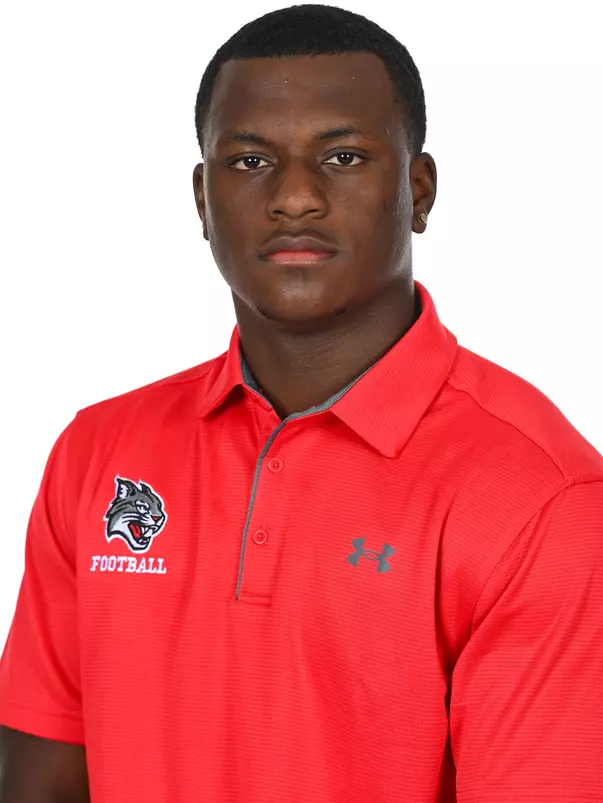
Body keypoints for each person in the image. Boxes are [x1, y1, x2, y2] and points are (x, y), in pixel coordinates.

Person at [1, 4, 602, 802]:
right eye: (250, 161)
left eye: (343, 156)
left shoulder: (540, 496)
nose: (293, 197)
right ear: (202, 199)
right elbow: (39, 776)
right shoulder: (98, 450)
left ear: (418, 190)